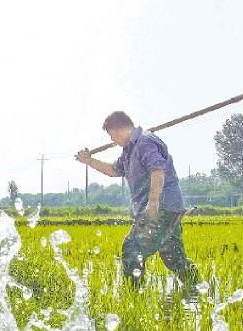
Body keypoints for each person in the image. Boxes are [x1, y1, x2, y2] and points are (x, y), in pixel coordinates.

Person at [75, 111, 198, 289]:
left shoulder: (145, 142)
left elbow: (157, 169)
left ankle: (134, 297)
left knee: (132, 249)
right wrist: (89, 160)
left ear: (117, 130)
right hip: (168, 208)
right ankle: (199, 289)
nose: (112, 140)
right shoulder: (129, 149)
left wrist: (153, 204)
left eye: (111, 135)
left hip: (160, 208)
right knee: (174, 258)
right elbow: (113, 170)